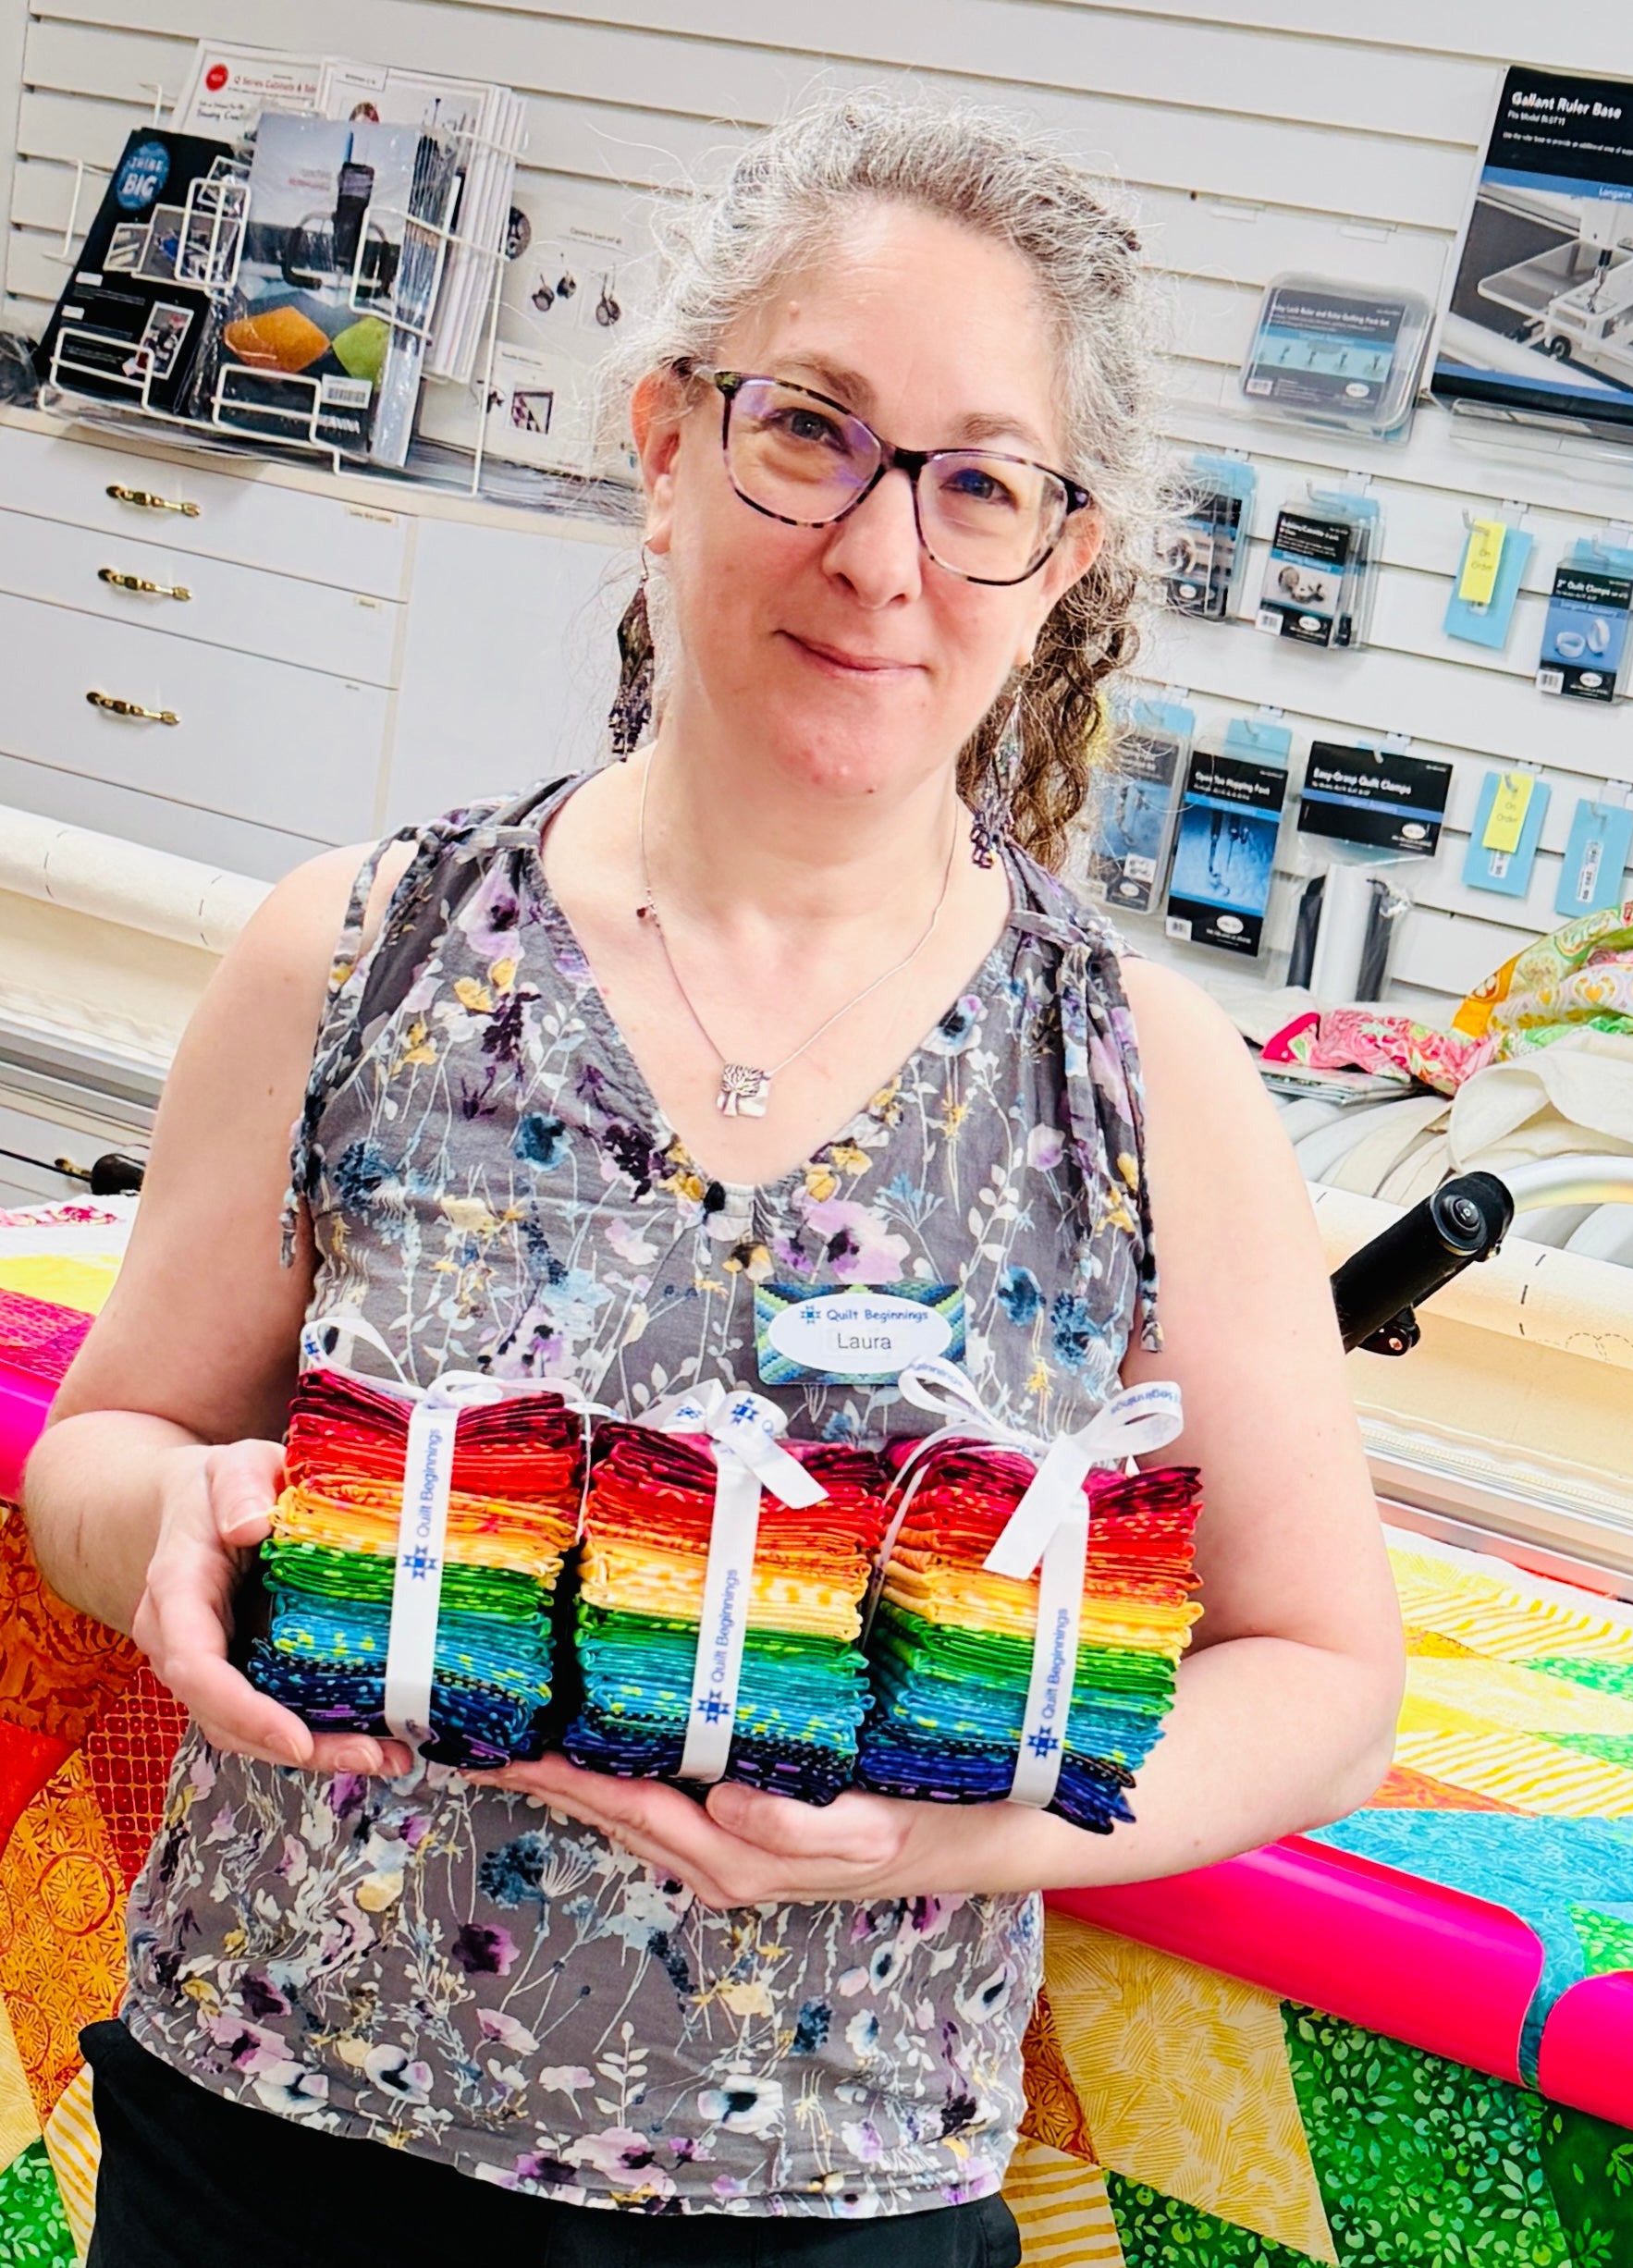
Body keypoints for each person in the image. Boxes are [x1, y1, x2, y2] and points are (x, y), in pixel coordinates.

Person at [21, 93, 1405, 2268]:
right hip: (278, 2152)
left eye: (978, 484)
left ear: (1063, 558)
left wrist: (964, 1839)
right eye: (810, 435)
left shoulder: (1139, 1086)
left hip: (829, 2206)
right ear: (665, 445)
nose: (880, 554)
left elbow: (1323, 1670)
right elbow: (103, 1449)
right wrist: (166, 1534)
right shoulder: (359, 956)